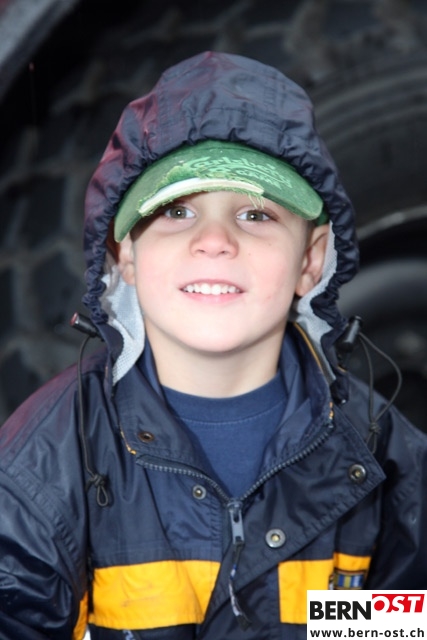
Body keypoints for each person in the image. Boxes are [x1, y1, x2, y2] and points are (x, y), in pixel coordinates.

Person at [0, 51, 426, 640]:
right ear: (125, 254)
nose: (215, 240)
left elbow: (403, 624)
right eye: (177, 210)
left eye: (255, 213)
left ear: (311, 259)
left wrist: (334, 622)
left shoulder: (381, 451)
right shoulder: (45, 462)